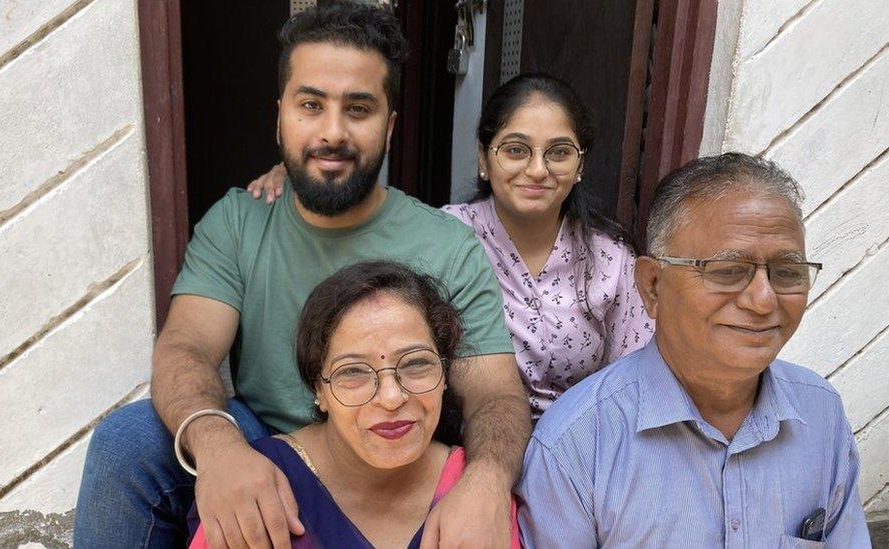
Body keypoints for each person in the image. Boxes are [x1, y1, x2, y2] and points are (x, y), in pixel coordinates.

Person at [73, 3, 530, 548]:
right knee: (128, 443)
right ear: (280, 116)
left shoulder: (446, 246)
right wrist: (220, 447)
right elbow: (186, 347)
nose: (332, 132)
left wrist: (486, 481)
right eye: (311, 105)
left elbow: (495, 395)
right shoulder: (240, 222)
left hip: (394, 455)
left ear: (389, 126)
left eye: (357, 109)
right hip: (271, 442)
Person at [516, 153, 871, 547]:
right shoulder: (578, 442)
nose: (763, 300)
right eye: (728, 271)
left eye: (786, 272)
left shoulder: (819, 413)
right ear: (652, 286)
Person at [248, 74, 652, 419]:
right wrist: (298, 178)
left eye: (559, 153)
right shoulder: (443, 234)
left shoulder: (611, 258)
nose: (537, 169)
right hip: (464, 446)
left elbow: (637, 379)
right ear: (483, 157)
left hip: (577, 458)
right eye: (515, 150)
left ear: (579, 164)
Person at [188, 261, 521, 548]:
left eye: (416, 364)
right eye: (353, 372)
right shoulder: (257, 484)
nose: (392, 398)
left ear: (446, 373)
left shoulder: (478, 492)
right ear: (318, 388)